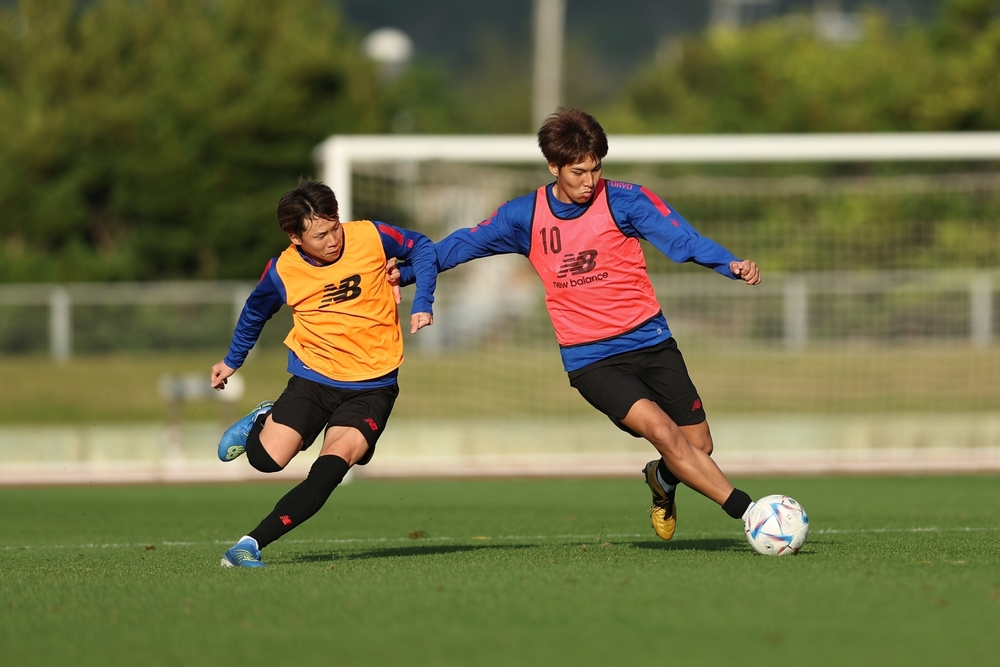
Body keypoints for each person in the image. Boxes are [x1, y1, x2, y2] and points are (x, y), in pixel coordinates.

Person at [402, 108, 761, 540]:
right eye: (578, 172)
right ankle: (753, 513)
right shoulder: (524, 216)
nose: (589, 181)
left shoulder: (626, 200)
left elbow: (683, 240)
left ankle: (662, 479)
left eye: (596, 169)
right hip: (592, 359)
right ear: (553, 167)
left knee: (698, 446)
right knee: (663, 432)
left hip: (651, 340)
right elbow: (461, 245)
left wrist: (729, 263)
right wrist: (404, 272)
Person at [210, 179, 436, 568]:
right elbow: (255, 311)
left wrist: (422, 298)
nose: (333, 240)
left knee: (329, 472)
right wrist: (233, 360)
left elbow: (424, 247)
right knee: (266, 462)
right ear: (295, 237)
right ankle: (264, 417)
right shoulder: (283, 271)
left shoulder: (372, 235)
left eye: (335, 227)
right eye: (320, 235)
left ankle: (249, 545)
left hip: (373, 386)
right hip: (314, 379)